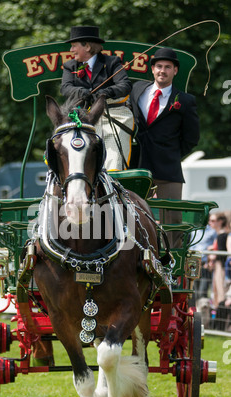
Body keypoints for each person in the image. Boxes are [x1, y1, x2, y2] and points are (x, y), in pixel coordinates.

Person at [129, 48, 200, 246]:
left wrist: (170, 153)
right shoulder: (137, 90)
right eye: (159, 66)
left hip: (168, 169)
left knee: (173, 221)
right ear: (152, 69)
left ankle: (170, 267)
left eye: (168, 67)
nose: (163, 70)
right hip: (136, 167)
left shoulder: (185, 101)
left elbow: (192, 138)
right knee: (132, 216)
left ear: (175, 71)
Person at [61, 25, 134, 171]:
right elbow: (65, 88)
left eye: (74, 46)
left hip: (112, 116)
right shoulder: (70, 66)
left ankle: (114, 178)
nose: (71, 50)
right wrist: (83, 92)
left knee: (114, 156)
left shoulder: (112, 62)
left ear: (87, 46)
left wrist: (105, 92)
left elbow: (125, 85)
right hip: (83, 118)